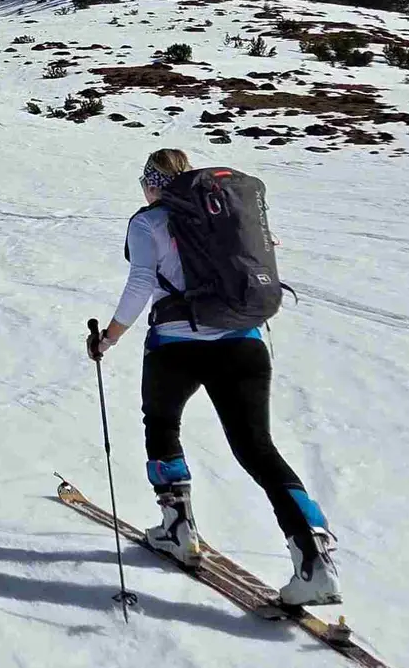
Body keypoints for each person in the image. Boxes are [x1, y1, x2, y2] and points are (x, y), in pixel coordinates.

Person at [90, 148, 341, 606]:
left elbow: (141, 282)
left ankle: (178, 528)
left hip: (175, 346)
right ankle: (315, 558)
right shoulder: (224, 216)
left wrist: (109, 337)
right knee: (257, 449)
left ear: (151, 183)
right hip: (244, 343)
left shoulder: (148, 222)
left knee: (163, 426)